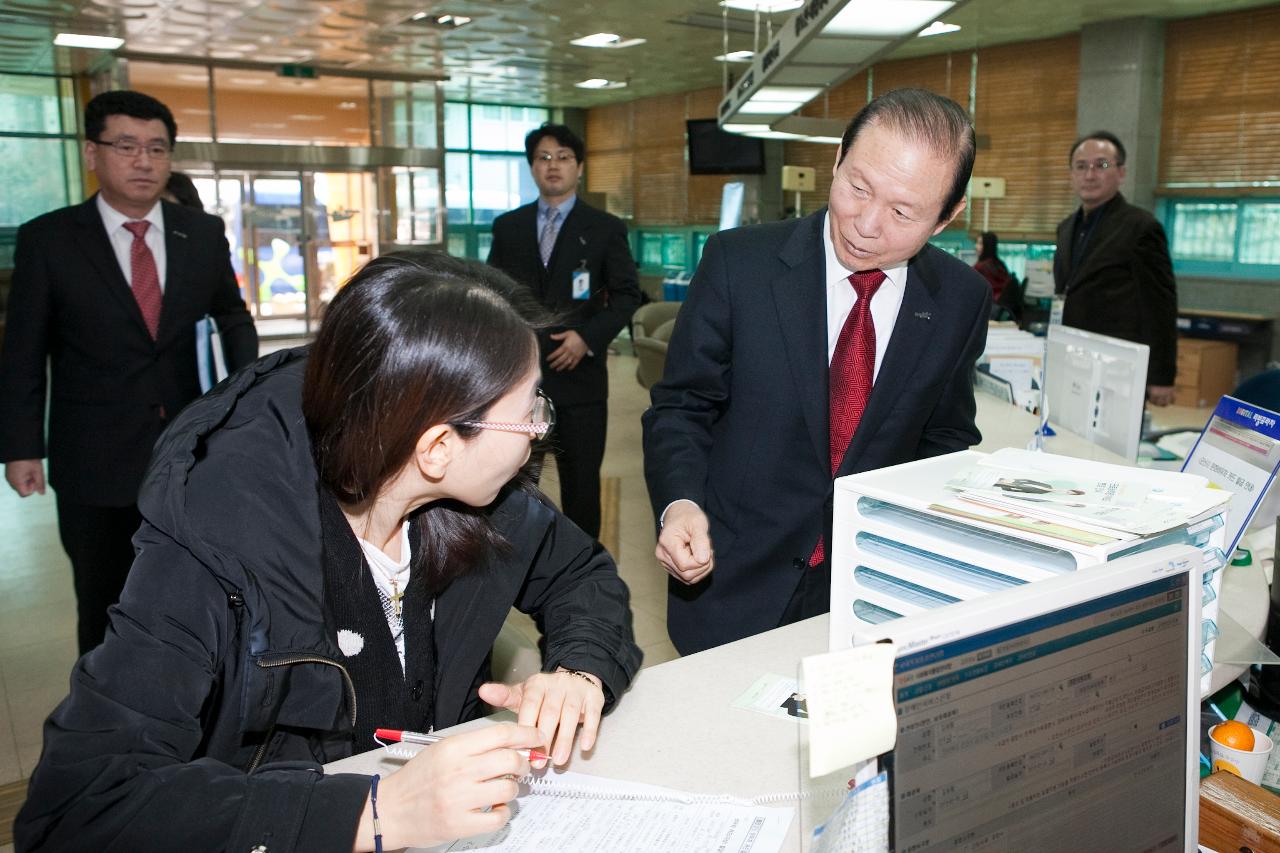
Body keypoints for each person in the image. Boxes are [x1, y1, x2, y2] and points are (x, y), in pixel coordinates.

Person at [15, 251, 642, 852]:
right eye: (530, 408)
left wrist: (578, 671)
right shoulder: (215, 542)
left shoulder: (479, 497)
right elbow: (79, 805)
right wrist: (377, 813)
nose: (541, 428)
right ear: (438, 448)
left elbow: (578, 574)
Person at [642, 89, 991, 656]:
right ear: (836, 160)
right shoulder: (739, 263)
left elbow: (946, 436)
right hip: (732, 576)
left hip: (871, 589)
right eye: (858, 187)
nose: (867, 225)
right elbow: (682, 406)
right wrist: (679, 502)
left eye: (904, 213)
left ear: (947, 216)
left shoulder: (960, 299)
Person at [0, 90, 258, 655]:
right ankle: (102, 720)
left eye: (157, 148)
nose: (143, 161)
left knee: (193, 587)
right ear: (92, 154)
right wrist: (22, 447)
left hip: (189, 451)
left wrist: (250, 400)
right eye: (126, 146)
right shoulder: (50, 239)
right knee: (103, 596)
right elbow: (24, 349)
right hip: (92, 456)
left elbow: (232, 317)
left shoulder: (202, 232)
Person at [487, 122, 642, 540]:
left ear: (580, 168)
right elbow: (494, 296)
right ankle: (515, 568)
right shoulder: (508, 228)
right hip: (520, 381)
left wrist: (587, 338)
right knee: (515, 481)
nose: (553, 166)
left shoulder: (606, 229)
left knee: (582, 485)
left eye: (563, 157)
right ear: (532, 168)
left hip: (581, 384)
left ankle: (579, 577)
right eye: (543, 158)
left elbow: (628, 295)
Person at [1054, 131, 1177, 406]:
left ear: (1121, 172)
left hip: (1119, 365)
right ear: (1071, 174)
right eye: (1081, 166)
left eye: (1102, 165)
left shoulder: (1141, 227)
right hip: (1073, 359)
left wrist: (1161, 376)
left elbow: (1160, 306)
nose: (1090, 174)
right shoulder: (1065, 229)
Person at [973, 231, 1013, 301]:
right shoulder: (1000, 264)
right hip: (998, 308)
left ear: (988, 246)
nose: (976, 247)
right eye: (976, 243)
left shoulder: (981, 267)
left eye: (980, 243)